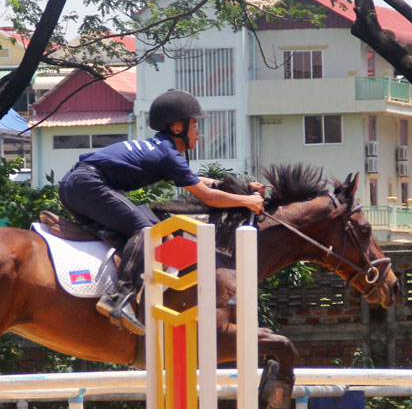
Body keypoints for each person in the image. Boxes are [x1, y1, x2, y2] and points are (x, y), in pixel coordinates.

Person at [58, 89, 265, 335]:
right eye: (195, 125)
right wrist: (248, 201)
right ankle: (119, 298)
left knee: (149, 221)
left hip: (78, 184)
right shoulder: (169, 154)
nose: (199, 133)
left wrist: (242, 189)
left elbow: (200, 182)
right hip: (87, 185)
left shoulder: (162, 149)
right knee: (146, 230)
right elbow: (208, 197)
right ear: (178, 128)